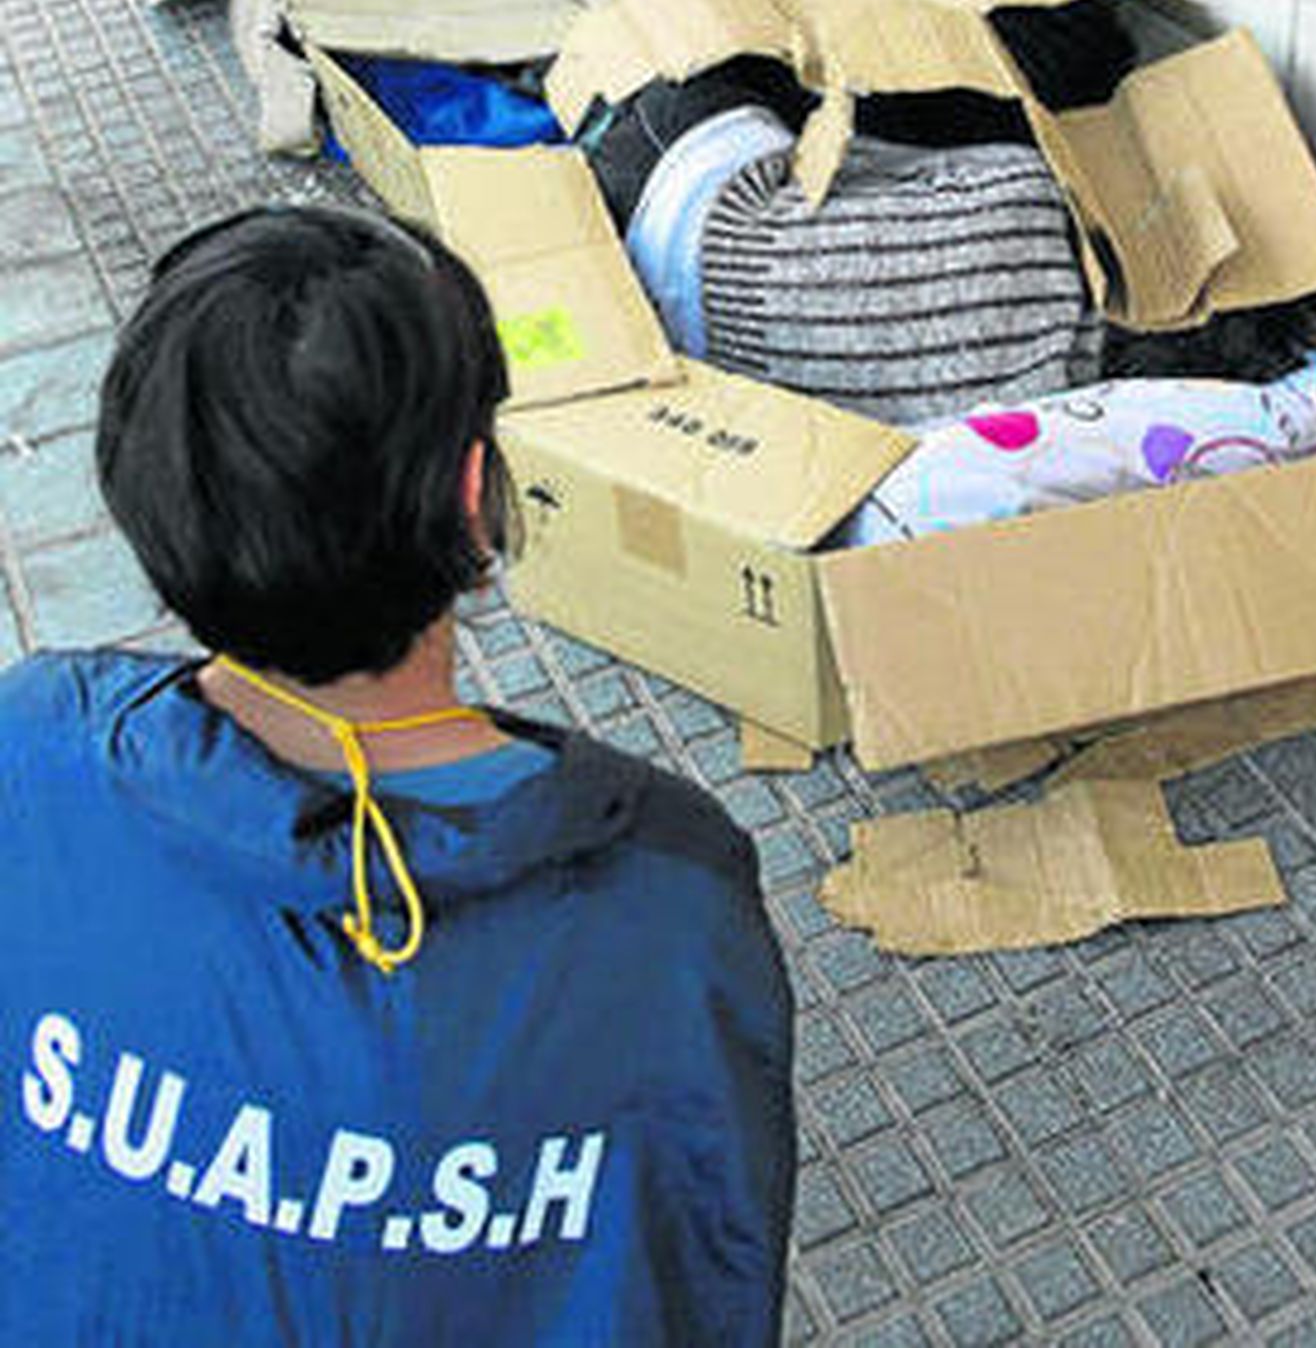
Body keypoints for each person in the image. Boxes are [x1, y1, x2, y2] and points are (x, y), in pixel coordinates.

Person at [0, 205, 795, 1346]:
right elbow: (701, 1267)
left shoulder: (30, 749)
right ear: (474, 494)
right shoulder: (665, 895)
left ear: (151, 493)